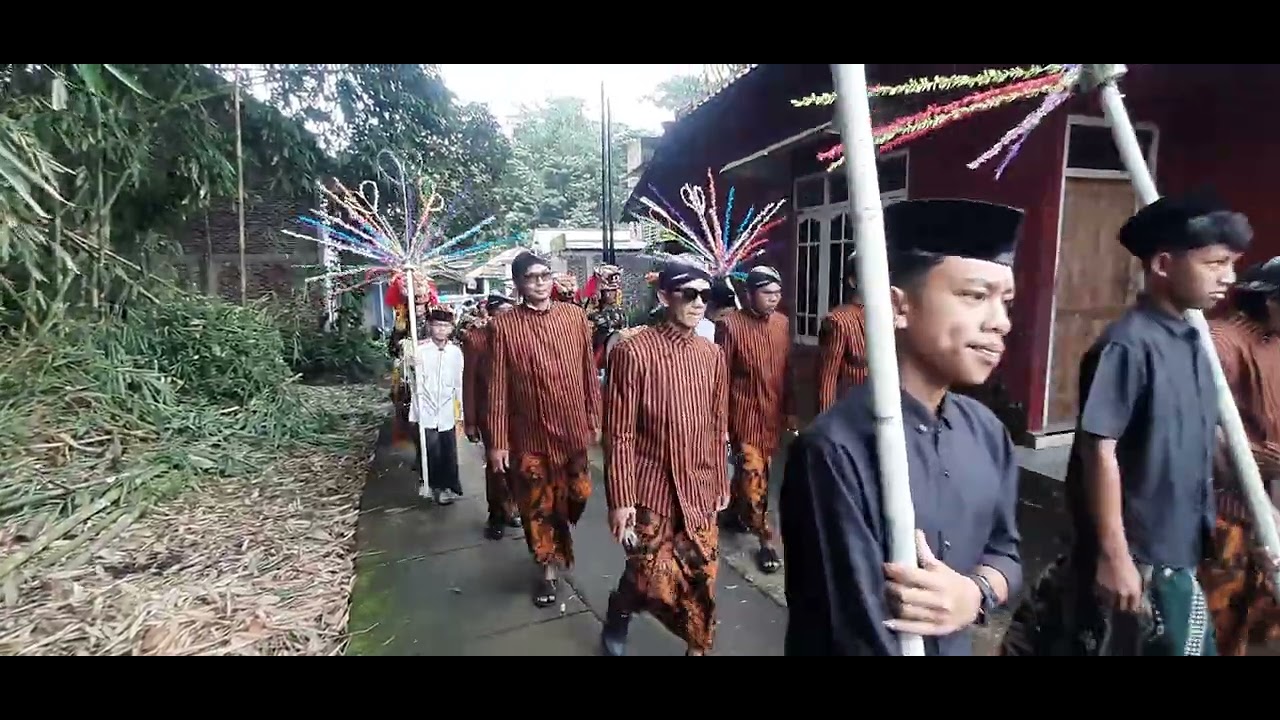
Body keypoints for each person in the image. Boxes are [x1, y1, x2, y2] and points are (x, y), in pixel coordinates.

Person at [1001, 189, 1252, 657]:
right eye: (1215, 263)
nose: (1229, 277)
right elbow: (1100, 449)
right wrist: (1115, 556)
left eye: (1232, 264)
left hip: (1180, 545)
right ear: (1163, 265)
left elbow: (1201, 441)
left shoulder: (1194, 341)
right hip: (1140, 556)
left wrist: (1259, 509)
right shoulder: (1128, 346)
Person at [780, 198, 1024, 656]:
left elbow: (1006, 555)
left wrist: (973, 595)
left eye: (1005, 301)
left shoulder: (989, 434)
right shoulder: (833, 452)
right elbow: (857, 632)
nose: (1000, 323)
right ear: (898, 306)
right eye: (975, 295)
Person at [600, 259, 729, 656]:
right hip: (650, 486)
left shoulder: (712, 355)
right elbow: (619, 432)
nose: (697, 303)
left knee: (702, 574)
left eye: (704, 295)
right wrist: (621, 498)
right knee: (648, 576)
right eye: (688, 294)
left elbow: (716, 423)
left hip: (699, 485)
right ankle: (621, 607)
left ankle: (697, 646)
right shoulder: (633, 352)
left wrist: (722, 481)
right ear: (663, 297)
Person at [487, 251, 601, 607]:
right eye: (531, 277)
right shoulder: (503, 326)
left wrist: (594, 418)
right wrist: (497, 442)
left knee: (579, 493)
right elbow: (497, 386)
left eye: (545, 275)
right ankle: (547, 570)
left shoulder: (575, 318)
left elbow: (587, 372)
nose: (540, 282)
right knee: (536, 507)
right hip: (528, 436)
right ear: (518, 284)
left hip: (570, 432)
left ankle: (559, 531)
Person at [1199, 256, 1280, 655]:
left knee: (1254, 627)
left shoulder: (1275, 343)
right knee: (1213, 624)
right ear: (1272, 303)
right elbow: (1199, 430)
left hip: (1269, 516)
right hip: (1223, 516)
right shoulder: (1220, 341)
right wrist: (1259, 457)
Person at [715, 264, 795, 574]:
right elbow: (720, 376)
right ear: (750, 295)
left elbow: (787, 372)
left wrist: (790, 410)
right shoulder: (731, 326)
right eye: (766, 293)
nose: (773, 298)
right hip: (743, 416)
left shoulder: (782, 325)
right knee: (753, 476)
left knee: (760, 474)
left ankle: (736, 515)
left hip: (772, 416)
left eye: (777, 293)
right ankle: (767, 541)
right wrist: (720, 421)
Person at [462, 292, 521, 540]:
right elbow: (469, 384)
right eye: (501, 313)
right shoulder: (477, 340)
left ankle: (512, 509)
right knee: (497, 468)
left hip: (520, 414)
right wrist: (471, 421)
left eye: (511, 312)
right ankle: (495, 515)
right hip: (490, 416)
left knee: (519, 467)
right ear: (490, 314)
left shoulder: (521, 337)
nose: (507, 318)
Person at [407, 305, 466, 505]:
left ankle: (449, 486)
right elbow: (412, 382)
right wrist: (411, 365)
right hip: (426, 409)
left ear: (451, 328)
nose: (441, 329)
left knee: (448, 449)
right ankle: (433, 486)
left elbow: (459, 383)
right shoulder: (420, 352)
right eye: (437, 325)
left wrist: (462, 412)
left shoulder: (455, 353)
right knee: (431, 450)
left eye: (445, 326)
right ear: (430, 327)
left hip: (447, 408)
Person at [816, 252, 868, 413]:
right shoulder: (839, 321)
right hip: (849, 413)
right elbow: (827, 378)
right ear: (853, 281)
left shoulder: (887, 317)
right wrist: (826, 424)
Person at [580, 264, 630, 373]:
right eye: (608, 291)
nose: (612, 294)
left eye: (614, 291)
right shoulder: (589, 313)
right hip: (595, 362)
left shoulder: (619, 310)